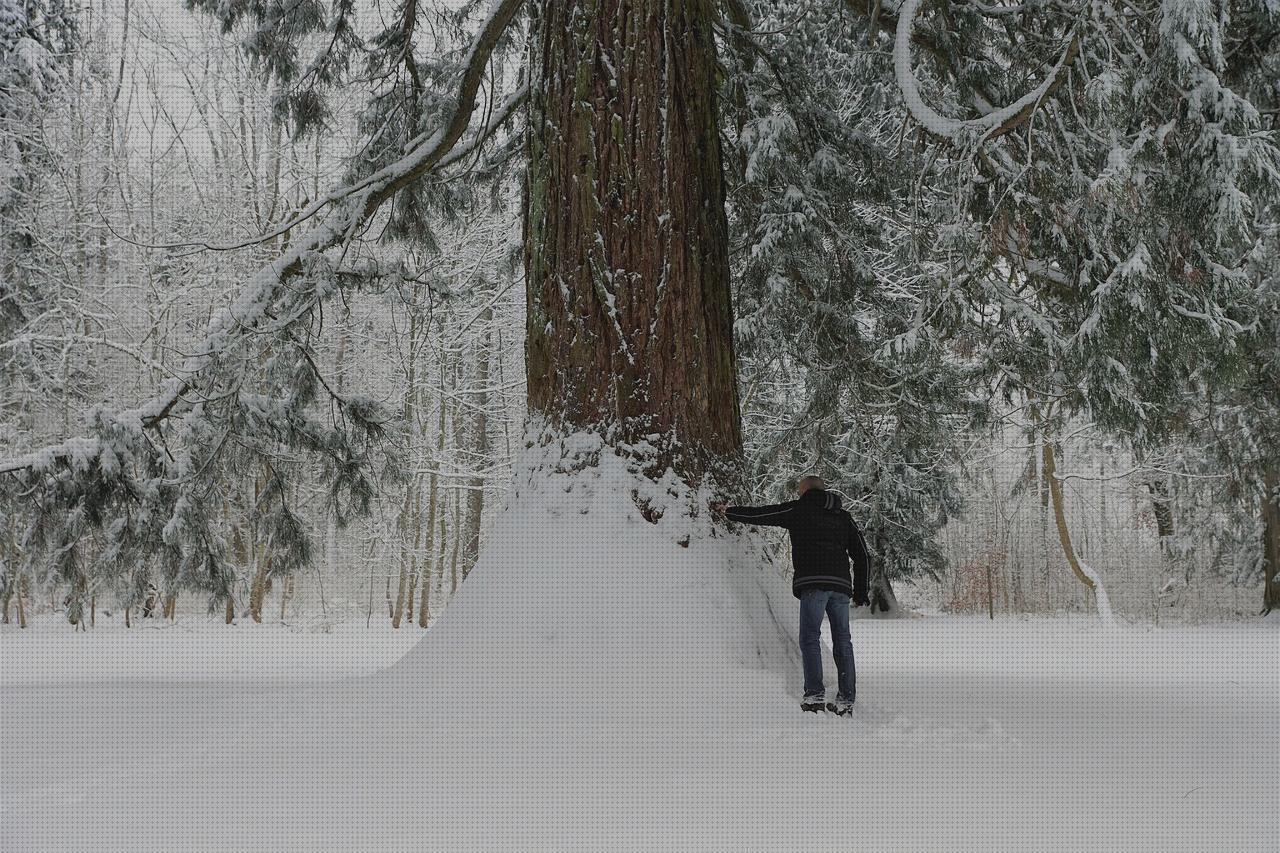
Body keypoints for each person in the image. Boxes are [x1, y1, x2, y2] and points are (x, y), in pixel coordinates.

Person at [711, 476, 870, 715]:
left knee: (809, 638)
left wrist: (730, 512)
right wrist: (860, 590)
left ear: (804, 490)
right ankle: (846, 700)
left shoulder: (799, 508)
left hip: (813, 583)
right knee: (843, 642)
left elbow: (763, 515)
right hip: (840, 587)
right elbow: (863, 555)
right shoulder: (843, 516)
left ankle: (815, 696)